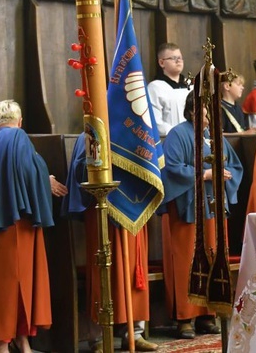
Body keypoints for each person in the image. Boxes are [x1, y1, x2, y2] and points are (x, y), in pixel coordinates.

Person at [0, 100, 67, 353]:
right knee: (18, 285)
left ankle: (20, 341)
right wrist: (46, 179)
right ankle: (0, 344)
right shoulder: (18, 137)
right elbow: (27, 171)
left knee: (4, 288)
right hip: (15, 225)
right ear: (20, 121)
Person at [62, 135, 158, 352]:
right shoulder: (89, 133)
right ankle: (97, 336)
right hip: (101, 212)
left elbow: (149, 162)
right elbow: (81, 170)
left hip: (133, 210)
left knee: (134, 269)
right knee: (102, 270)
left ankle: (135, 332)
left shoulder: (133, 128)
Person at [160, 90, 243, 339]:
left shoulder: (214, 136)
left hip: (214, 207)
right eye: (206, 111)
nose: (209, 117)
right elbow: (172, 168)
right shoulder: (178, 134)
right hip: (188, 208)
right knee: (187, 260)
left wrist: (223, 173)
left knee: (212, 256)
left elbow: (233, 165)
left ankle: (208, 314)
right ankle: (185, 318)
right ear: (193, 110)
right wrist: (205, 175)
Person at [147, 42, 191, 138]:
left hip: (193, 138)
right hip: (169, 139)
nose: (178, 61)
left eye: (180, 58)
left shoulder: (191, 85)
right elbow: (155, 122)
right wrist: (179, 134)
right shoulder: (155, 87)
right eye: (173, 58)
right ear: (161, 63)